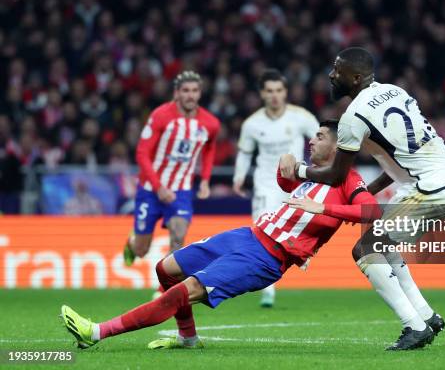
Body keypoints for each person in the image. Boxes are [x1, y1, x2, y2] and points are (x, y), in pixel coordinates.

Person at [60, 120, 382, 350]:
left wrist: (323, 210)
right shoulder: (313, 174)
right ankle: (188, 338)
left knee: (184, 291)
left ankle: (97, 332)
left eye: (320, 136)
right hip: (248, 235)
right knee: (166, 268)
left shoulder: (348, 181)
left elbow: (372, 212)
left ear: (338, 146)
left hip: (268, 257)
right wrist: (283, 168)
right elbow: (286, 187)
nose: (311, 141)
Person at [281, 47, 445, 350]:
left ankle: (414, 327)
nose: (331, 74)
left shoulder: (353, 117)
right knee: (383, 246)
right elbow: (398, 162)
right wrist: (368, 191)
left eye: (337, 70)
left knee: (365, 250)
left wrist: (299, 171)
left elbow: (336, 176)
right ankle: (426, 316)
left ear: (354, 78)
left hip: (430, 187)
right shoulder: (394, 91)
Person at [123, 71, 220, 297]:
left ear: (200, 93)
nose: (190, 95)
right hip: (150, 190)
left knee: (178, 235)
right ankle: (132, 242)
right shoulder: (160, 116)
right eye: (185, 91)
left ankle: (163, 289)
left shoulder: (210, 123)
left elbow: (209, 149)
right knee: (141, 249)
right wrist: (159, 187)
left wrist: (205, 179)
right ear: (176, 93)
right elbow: (142, 153)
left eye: (194, 91)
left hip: (181, 191)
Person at [233, 68, 319, 307]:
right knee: (262, 232)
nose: (274, 96)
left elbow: (323, 141)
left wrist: (321, 170)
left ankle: (300, 255)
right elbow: (245, 153)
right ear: (262, 93)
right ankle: (268, 289)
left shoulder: (301, 117)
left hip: (294, 183)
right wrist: (239, 177)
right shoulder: (252, 124)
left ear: (285, 92)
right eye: (269, 91)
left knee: (300, 226)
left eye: (279, 91)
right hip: (265, 184)